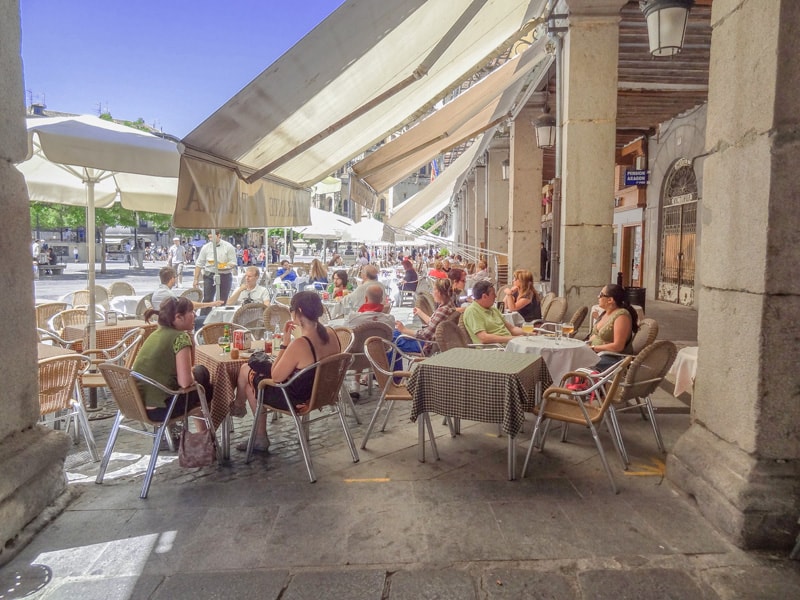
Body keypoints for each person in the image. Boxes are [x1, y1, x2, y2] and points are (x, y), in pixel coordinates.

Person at [234, 291, 341, 452]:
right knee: (247, 371)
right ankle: (241, 408)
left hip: (296, 399)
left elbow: (276, 376)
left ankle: (253, 426)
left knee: (248, 375)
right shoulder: (332, 333)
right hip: (322, 394)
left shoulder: (301, 344)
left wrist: (284, 343)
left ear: (298, 312)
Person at [131, 296, 213, 426]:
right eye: (191, 312)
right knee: (202, 374)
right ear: (179, 317)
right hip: (162, 409)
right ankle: (205, 434)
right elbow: (185, 382)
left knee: (199, 378)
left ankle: (189, 434)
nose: (195, 315)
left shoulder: (155, 334)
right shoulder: (180, 338)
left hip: (137, 406)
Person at [395, 277, 456, 353]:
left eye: (434, 290)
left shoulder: (443, 310)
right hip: (435, 341)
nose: (432, 292)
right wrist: (420, 312)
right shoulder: (449, 305)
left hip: (427, 346)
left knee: (394, 339)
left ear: (439, 293)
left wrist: (404, 329)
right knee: (395, 333)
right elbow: (434, 323)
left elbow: (424, 335)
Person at [588, 284, 639, 371]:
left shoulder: (621, 315)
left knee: (576, 362)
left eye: (601, 295)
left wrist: (593, 348)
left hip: (610, 359)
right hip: (596, 354)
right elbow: (596, 336)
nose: (598, 297)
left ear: (610, 300)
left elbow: (618, 346)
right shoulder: (606, 313)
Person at [462, 280, 525, 344]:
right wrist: (512, 339)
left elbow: (512, 329)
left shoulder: (493, 309)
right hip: (495, 349)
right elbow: (484, 338)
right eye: (493, 294)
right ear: (484, 296)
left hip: (508, 344)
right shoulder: (472, 311)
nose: (496, 296)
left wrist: (528, 333)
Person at [193, 231, 237, 315]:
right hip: (210, 274)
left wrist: (224, 266)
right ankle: (204, 321)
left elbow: (233, 262)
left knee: (223, 299)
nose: (211, 239)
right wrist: (195, 279)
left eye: (212, 237)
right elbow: (199, 264)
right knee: (207, 299)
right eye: (209, 237)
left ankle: (221, 320)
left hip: (225, 274)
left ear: (218, 235)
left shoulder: (228, 246)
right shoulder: (206, 247)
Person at [152, 266, 223, 311]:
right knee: (204, 321)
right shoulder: (168, 294)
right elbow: (189, 305)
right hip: (171, 324)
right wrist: (212, 304)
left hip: (167, 321)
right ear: (172, 279)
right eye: (175, 277)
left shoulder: (158, 292)